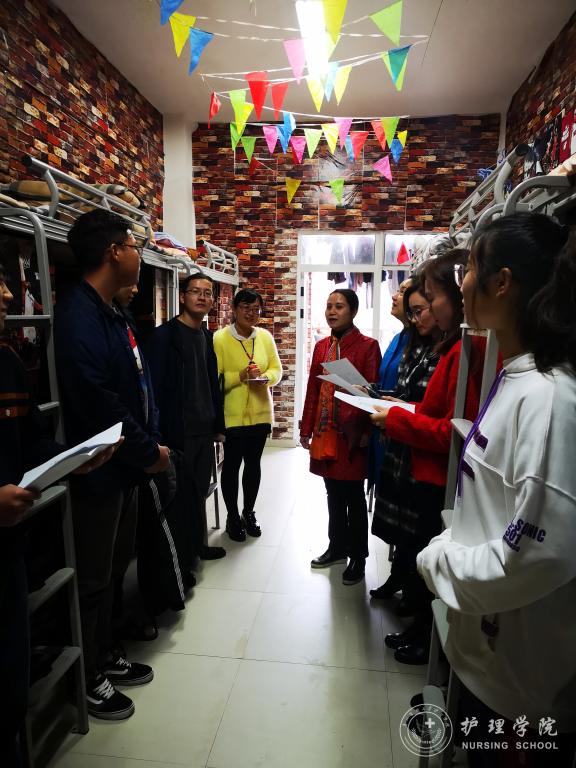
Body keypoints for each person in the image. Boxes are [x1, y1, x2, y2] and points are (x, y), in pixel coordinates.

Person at [417, 213, 576, 767]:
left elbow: (539, 553)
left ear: (502, 282)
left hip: (522, 688)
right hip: (489, 659)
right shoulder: (516, 376)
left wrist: (440, 561)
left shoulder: (549, 399)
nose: (461, 283)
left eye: (469, 267)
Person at [0, 263, 119, 763]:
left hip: (9, 547)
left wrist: (73, 458)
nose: (9, 294)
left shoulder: (7, 363)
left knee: (10, 686)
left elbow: (30, 443)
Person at [55, 210, 170, 721]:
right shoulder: (78, 315)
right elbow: (100, 402)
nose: (138, 253)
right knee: (92, 580)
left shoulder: (113, 312)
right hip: (98, 471)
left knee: (113, 569)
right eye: (132, 244)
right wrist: (148, 452)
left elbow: (137, 386)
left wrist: (149, 443)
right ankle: (84, 678)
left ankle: (103, 654)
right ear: (113, 252)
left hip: (123, 466)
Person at [371, 249, 487, 664]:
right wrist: (402, 410)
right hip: (428, 469)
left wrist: (397, 419)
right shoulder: (452, 346)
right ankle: (419, 629)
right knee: (419, 552)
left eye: (432, 298)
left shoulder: (466, 350)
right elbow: (439, 413)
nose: (427, 309)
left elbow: (453, 429)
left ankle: (425, 637)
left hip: (438, 474)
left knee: (426, 555)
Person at [300, 289, 381, 586]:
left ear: (353, 311)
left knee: (354, 497)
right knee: (332, 493)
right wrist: (305, 428)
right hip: (326, 432)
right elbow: (313, 389)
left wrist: (367, 432)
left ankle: (358, 556)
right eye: (329, 306)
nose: (332, 312)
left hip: (352, 434)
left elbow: (373, 392)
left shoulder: (368, 346)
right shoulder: (322, 346)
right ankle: (337, 548)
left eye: (339, 306)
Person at [146, 271, 226, 568]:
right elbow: (154, 391)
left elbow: (212, 384)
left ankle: (197, 547)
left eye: (207, 293)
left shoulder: (206, 336)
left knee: (198, 492)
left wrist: (218, 426)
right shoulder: (164, 337)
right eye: (195, 291)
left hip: (204, 429)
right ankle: (180, 562)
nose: (202, 297)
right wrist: (157, 435)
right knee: (178, 497)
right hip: (177, 431)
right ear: (182, 296)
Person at [369, 275, 441, 606]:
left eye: (418, 309)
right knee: (400, 525)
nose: (414, 316)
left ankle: (413, 596)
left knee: (416, 529)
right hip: (399, 441)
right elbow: (404, 390)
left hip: (417, 447)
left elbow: (431, 409)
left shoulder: (443, 349)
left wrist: (395, 411)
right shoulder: (410, 342)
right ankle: (398, 578)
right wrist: (380, 397)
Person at [213, 288, 282, 542]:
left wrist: (266, 378)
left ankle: (248, 513)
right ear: (234, 309)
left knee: (253, 465)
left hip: (261, 414)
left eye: (256, 309)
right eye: (245, 308)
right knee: (231, 466)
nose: (251, 313)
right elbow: (215, 379)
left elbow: (277, 369)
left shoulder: (264, 337)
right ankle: (232, 517)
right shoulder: (220, 338)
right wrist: (240, 376)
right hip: (232, 417)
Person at [368, 277, 412, 488]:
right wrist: (368, 390)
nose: (394, 296)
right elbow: (385, 380)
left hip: (399, 430)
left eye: (402, 292)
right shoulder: (397, 338)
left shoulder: (420, 343)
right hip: (382, 426)